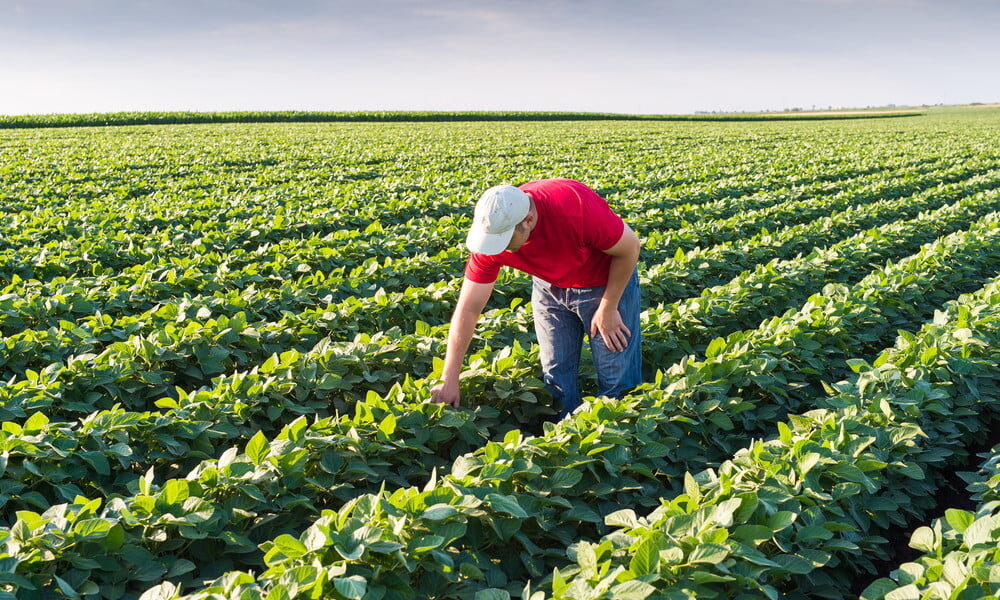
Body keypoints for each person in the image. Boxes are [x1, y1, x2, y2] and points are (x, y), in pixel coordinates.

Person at [430, 178, 642, 420]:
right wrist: (449, 377)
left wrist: (608, 307)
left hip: (604, 282)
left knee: (616, 376)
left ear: (528, 221)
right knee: (556, 374)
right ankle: (567, 441)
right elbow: (468, 309)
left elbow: (630, 248)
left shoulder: (572, 206)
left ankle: (620, 445)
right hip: (549, 286)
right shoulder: (492, 235)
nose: (498, 249)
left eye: (505, 241)